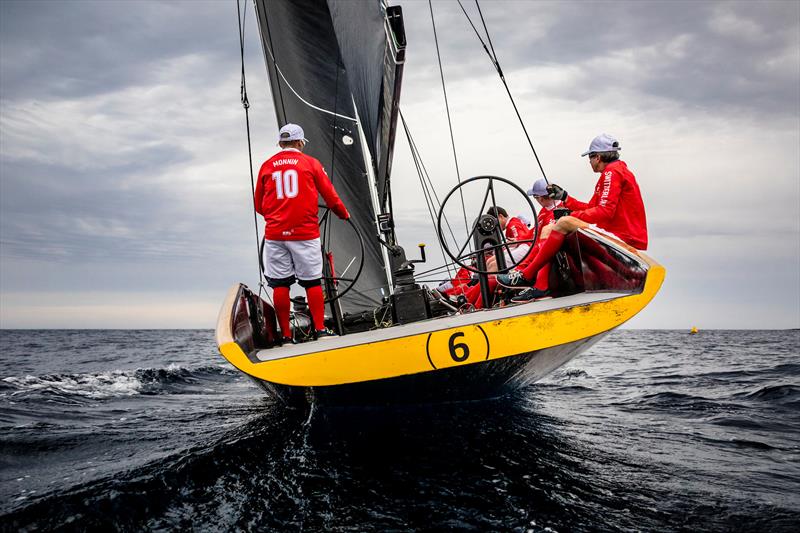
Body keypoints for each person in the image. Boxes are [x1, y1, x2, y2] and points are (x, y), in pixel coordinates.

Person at [498, 133, 648, 302]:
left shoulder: (611, 173)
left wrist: (571, 216)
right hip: (619, 233)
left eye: (590, 158)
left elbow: (605, 212)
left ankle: (530, 277)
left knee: (562, 222)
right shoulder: (615, 172)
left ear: (597, 157)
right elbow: (592, 208)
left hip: (623, 236)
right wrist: (566, 198)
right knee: (556, 225)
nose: (589, 162)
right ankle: (537, 283)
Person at [254, 123, 350, 342]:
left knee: (280, 284)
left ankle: (286, 338)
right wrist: (343, 214)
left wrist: (277, 218)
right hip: (305, 234)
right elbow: (331, 196)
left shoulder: (266, 166)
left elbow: (259, 205)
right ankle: (320, 331)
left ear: (280, 143)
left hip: (275, 235)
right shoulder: (310, 163)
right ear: (300, 143)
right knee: (313, 282)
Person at [461, 179, 561, 309]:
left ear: (540, 198)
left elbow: (535, 240)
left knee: (493, 267)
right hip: (530, 249)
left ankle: (474, 302)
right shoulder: (543, 213)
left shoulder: (516, 223)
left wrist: (519, 242)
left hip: (531, 250)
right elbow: (532, 233)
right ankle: (469, 298)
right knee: (492, 265)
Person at [484, 206, 534, 272]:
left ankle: (492, 281)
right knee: (489, 261)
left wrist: (516, 241)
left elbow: (520, 237)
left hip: (526, 247)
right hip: (524, 247)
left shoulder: (512, 224)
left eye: (494, 223)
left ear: (500, 216)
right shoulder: (513, 224)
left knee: (494, 264)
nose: (494, 227)